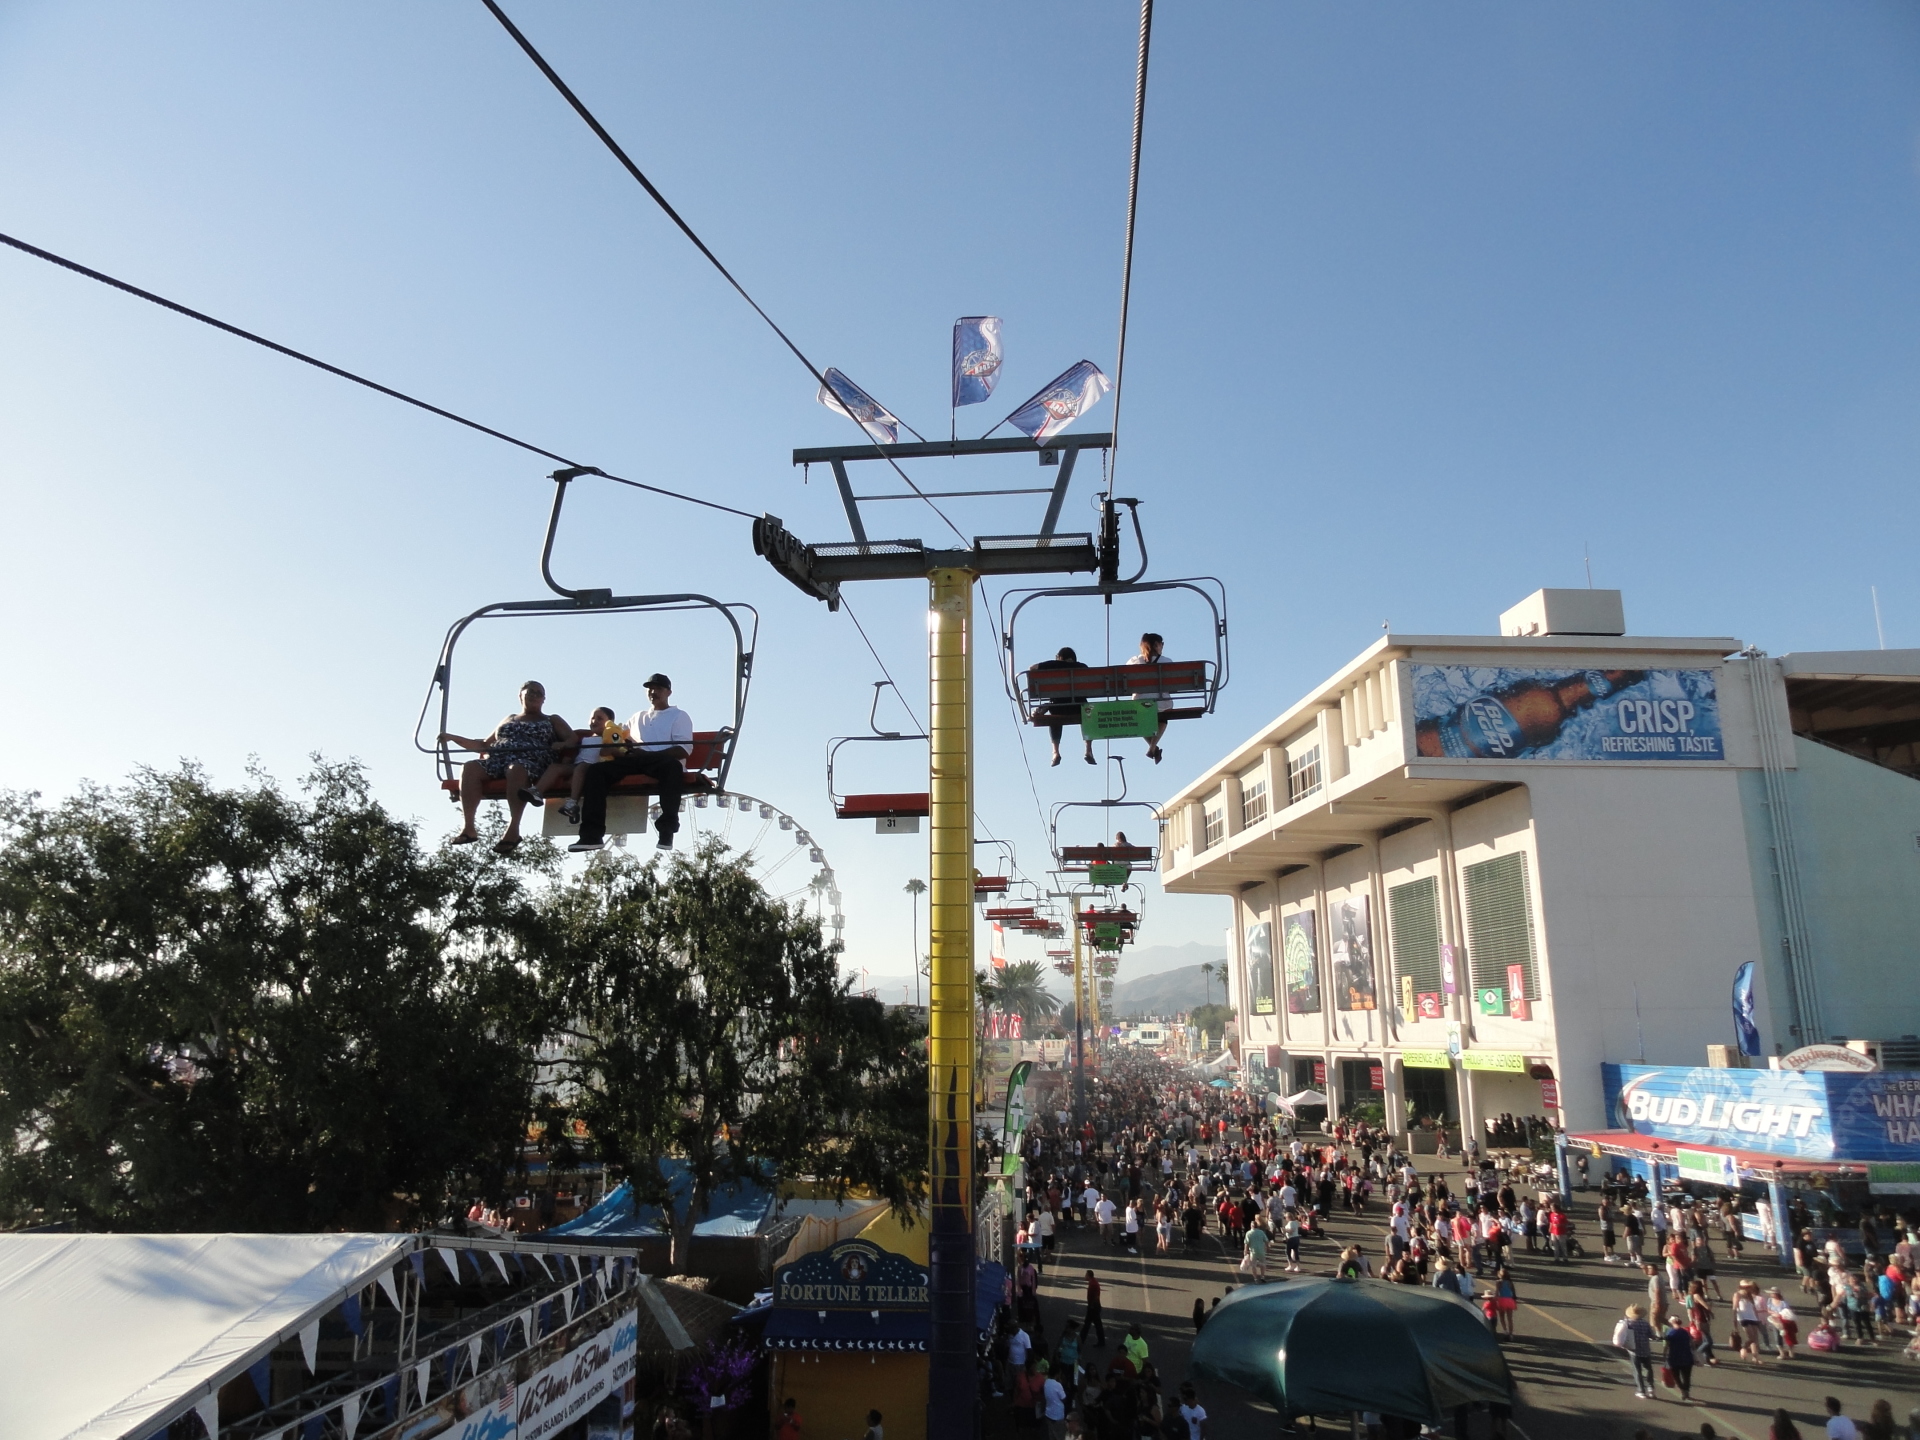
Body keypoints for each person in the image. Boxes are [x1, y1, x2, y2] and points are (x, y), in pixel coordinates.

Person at [441, 680, 572, 853]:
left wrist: (562, 745)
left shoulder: (551, 719)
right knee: (469, 767)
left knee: (516, 768)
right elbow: (484, 745)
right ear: (520, 695)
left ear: (543, 699)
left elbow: (572, 739)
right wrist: (453, 738)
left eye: (539, 693)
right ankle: (469, 827)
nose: (534, 695)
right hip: (498, 758)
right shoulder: (508, 719)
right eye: (530, 691)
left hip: (532, 759)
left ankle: (513, 828)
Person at [571, 673, 692, 852]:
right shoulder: (637, 717)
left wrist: (649, 754)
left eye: (658, 688)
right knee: (596, 772)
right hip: (636, 760)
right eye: (650, 689)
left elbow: (683, 750)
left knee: (672, 767)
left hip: (662, 762)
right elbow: (618, 737)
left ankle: (667, 828)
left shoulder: (678, 716)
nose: (653, 692)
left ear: (669, 692)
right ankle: (591, 835)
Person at [539, 704, 616, 824]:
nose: (594, 721)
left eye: (599, 718)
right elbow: (573, 753)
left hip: (595, 766)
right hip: (578, 765)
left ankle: (572, 802)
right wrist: (566, 760)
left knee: (581, 768)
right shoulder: (584, 738)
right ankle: (537, 791)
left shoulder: (610, 738)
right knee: (556, 768)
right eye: (592, 718)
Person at [1029, 647, 1095, 767]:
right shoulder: (1082, 667)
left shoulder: (1052, 665)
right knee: (1087, 710)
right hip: (1079, 708)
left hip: (1058, 707)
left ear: (1059, 657)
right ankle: (1088, 750)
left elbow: (1032, 668)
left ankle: (1055, 752)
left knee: (1054, 713)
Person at [1124, 633, 1173, 763]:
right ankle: (1152, 747)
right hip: (1162, 702)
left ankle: (1153, 747)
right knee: (1163, 714)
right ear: (1157, 645)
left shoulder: (1133, 661)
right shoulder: (1167, 662)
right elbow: (1174, 686)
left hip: (1139, 703)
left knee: (1138, 722)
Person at [1612, 1303, 1657, 1399]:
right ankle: (1651, 1388)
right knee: (1648, 1368)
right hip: (1645, 1349)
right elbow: (1651, 1335)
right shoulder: (1645, 1323)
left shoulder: (1628, 1324)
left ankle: (1641, 1390)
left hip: (1633, 1349)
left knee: (1637, 1370)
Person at [1662, 1316, 1696, 1400]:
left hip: (1674, 1357)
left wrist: (1664, 1354)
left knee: (1676, 1376)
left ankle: (1682, 1390)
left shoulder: (1670, 1333)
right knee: (1686, 1377)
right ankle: (1686, 1391)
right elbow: (1693, 1344)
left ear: (1673, 1323)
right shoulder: (1686, 1332)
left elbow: (1666, 1345)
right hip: (1687, 1357)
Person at [1041, 1362, 1068, 1440]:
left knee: (1052, 1435)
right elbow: (1064, 1399)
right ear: (1057, 1373)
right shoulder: (1058, 1385)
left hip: (1048, 1413)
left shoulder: (1046, 1382)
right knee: (1060, 1436)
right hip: (1058, 1415)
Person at [1084, 1271, 1106, 1345]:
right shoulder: (1093, 1282)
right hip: (1093, 1306)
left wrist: (1092, 1306)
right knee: (1093, 1324)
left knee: (1090, 1324)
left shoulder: (1093, 1284)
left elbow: (1096, 1296)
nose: (1085, 1276)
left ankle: (1081, 1339)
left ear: (1088, 1275)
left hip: (1093, 1307)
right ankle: (1101, 1341)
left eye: (1086, 1275)